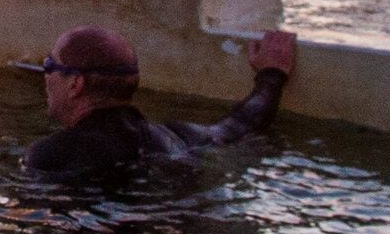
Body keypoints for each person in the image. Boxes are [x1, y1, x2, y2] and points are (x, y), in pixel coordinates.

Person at [25, 25, 297, 178]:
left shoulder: (50, 156)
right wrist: (271, 76)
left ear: (76, 84)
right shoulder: (177, 138)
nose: (45, 75)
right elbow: (241, 124)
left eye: (50, 65)